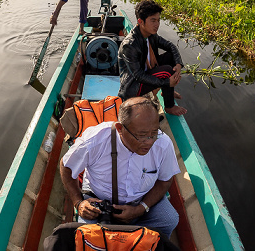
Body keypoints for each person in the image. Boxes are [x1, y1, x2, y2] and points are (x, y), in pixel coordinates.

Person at [59, 97, 181, 239]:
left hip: (142, 200)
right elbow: (66, 166)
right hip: (99, 201)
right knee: (88, 236)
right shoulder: (94, 140)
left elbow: (165, 180)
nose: (149, 142)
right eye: (142, 136)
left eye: (154, 133)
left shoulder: (163, 143)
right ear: (120, 129)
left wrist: (141, 209)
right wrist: (78, 202)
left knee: (169, 220)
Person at [118, 0, 187, 116]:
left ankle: (167, 92)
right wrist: (166, 82)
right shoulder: (130, 45)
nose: (157, 24)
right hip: (133, 86)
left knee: (171, 58)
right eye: (153, 20)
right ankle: (169, 106)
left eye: (158, 20)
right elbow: (138, 76)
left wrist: (179, 64)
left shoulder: (151, 35)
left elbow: (171, 46)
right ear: (140, 21)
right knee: (167, 71)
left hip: (146, 72)